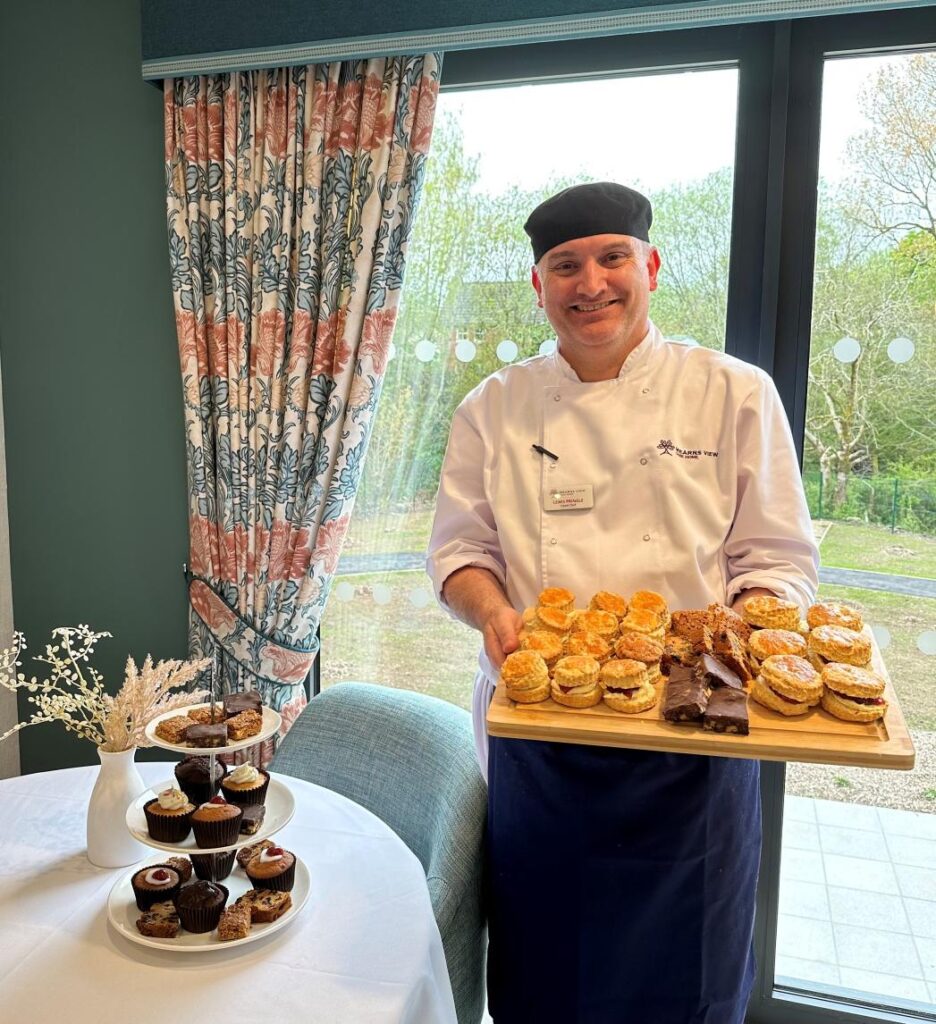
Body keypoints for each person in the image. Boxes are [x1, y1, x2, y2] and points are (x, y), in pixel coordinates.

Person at [427, 182, 819, 1023]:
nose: (590, 282)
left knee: (694, 975)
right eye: (565, 265)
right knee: (546, 970)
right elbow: (461, 554)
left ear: (650, 265)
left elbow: (777, 559)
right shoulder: (491, 408)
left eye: (612, 258)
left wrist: (736, 635)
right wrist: (494, 613)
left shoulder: (735, 393)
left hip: (703, 716)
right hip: (543, 728)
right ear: (539, 285)